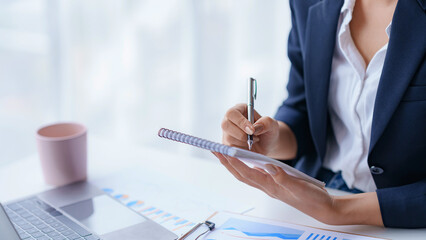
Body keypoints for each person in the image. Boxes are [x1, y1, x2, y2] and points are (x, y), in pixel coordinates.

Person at [213, 0, 426, 228]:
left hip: (398, 211)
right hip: (314, 193)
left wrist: (336, 209)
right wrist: (271, 140)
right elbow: (302, 106)